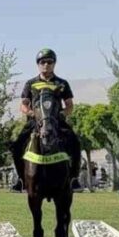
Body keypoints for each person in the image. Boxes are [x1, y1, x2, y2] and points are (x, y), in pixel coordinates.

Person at [10, 48, 82, 191]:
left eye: (50, 62)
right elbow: (23, 105)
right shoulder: (31, 83)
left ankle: (74, 178)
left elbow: (69, 105)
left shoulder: (62, 83)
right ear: (38, 64)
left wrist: (62, 114)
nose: (46, 65)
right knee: (17, 145)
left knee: (75, 142)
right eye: (43, 62)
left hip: (56, 121)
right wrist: (31, 113)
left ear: (54, 64)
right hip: (35, 121)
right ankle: (20, 180)